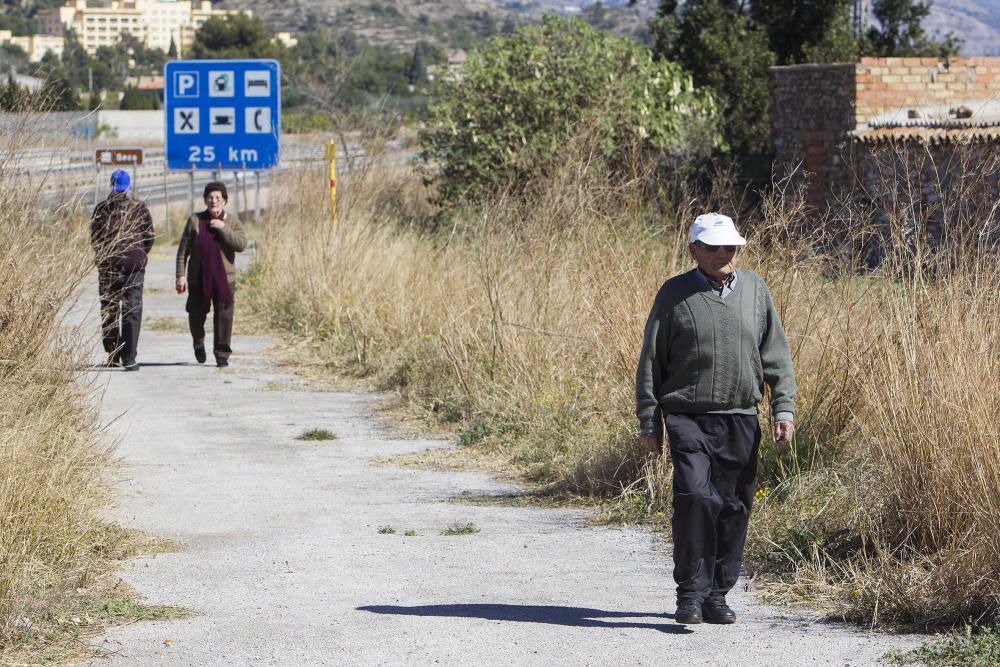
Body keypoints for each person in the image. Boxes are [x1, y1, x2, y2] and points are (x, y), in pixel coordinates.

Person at [635, 212, 796, 626]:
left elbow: (775, 352)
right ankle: (689, 592)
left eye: (731, 247)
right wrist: (649, 421)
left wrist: (783, 407)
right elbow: (652, 359)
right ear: (694, 250)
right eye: (714, 247)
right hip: (687, 415)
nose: (724, 254)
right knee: (694, 497)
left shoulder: (756, 291)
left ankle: (716, 595)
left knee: (733, 505)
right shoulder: (674, 294)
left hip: (741, 415)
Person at [175, 181, 247, 367]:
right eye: (210, 198)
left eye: (218, 198)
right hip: (199, 277)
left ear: (224, 201)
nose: (214, 201)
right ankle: (198, 342)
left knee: (224, 317)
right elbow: (183, 250)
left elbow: (241, 244)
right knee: (196, 314)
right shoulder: (195, 220)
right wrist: (180, 275)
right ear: (205, 200)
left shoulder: (231, 221)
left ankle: (222, 354)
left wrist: (222, 228)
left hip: (225, 279)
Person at [90, 169, 155, 371]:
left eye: (122, 190)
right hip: (108, 270)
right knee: (109, 311)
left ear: (128, 188)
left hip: (133, 269)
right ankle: (113, 351)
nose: (120, 194)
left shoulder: (139, 208)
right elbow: (95, 238)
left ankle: (129, 356)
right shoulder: (102, 209)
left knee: (132, 310)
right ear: (112, 187)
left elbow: (149, 236)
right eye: (117, 190)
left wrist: (138, 256)